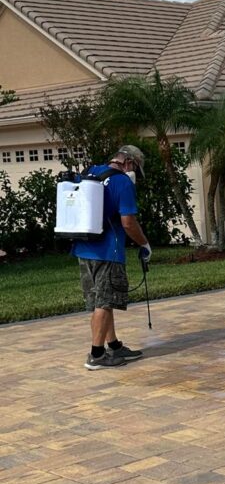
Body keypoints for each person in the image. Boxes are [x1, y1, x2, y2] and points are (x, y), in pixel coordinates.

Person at [72, 145, 151, 370]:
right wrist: (144, 244)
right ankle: (96, 355)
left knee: (101, 302)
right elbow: (128, 222)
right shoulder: (123, 182)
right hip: (109, 251)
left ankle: (114, 346)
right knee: (105, 303)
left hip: (84, 248)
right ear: (130, 163)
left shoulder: (90, 172)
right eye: (135, 168)